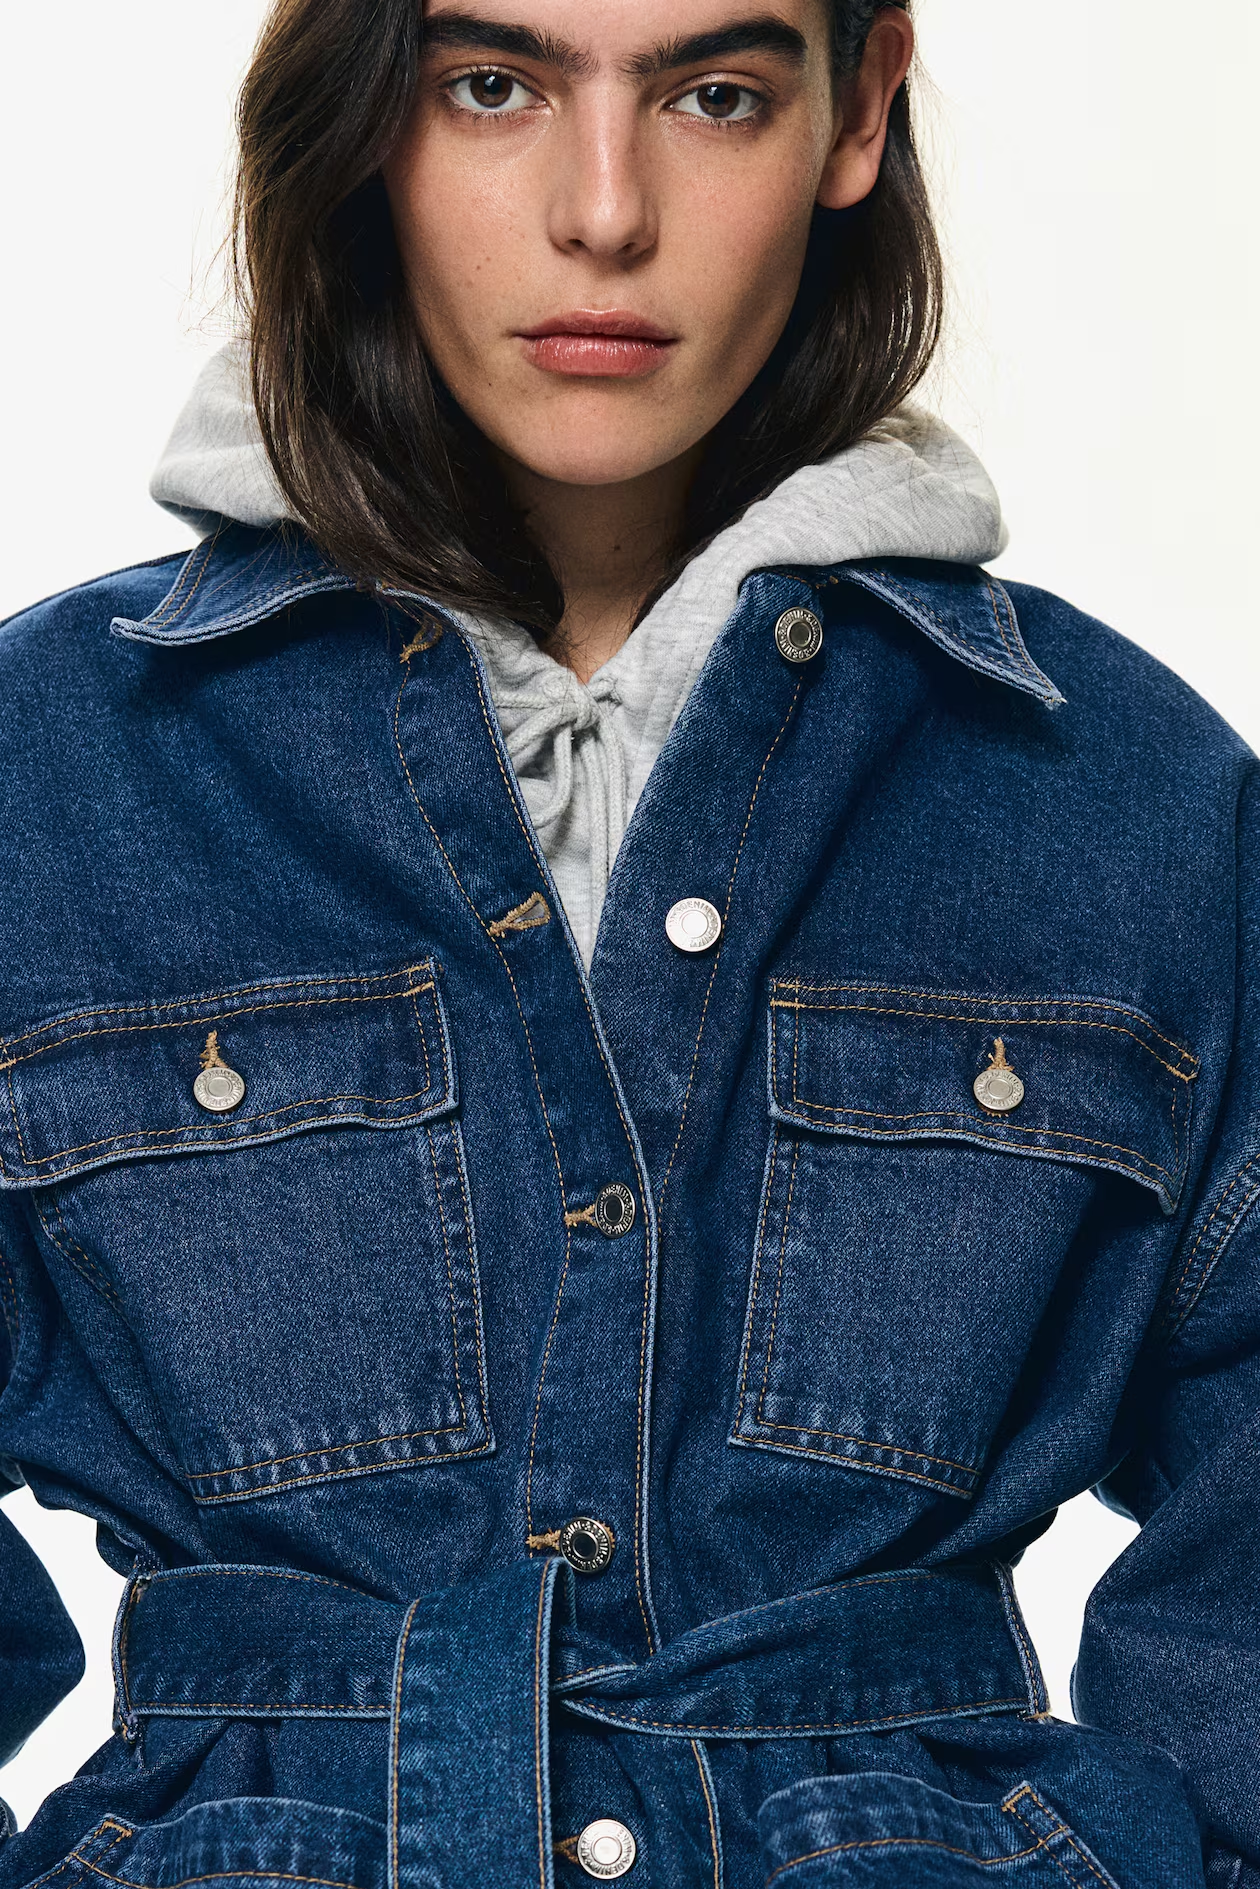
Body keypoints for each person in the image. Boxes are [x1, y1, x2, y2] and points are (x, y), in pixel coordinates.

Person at [0, 0, 1256, 1883]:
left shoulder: (1125, 793)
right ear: (363, 118)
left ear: (859, 114)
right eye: (491, 86)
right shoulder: (48, 775)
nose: (605, 211)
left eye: (714, 95)